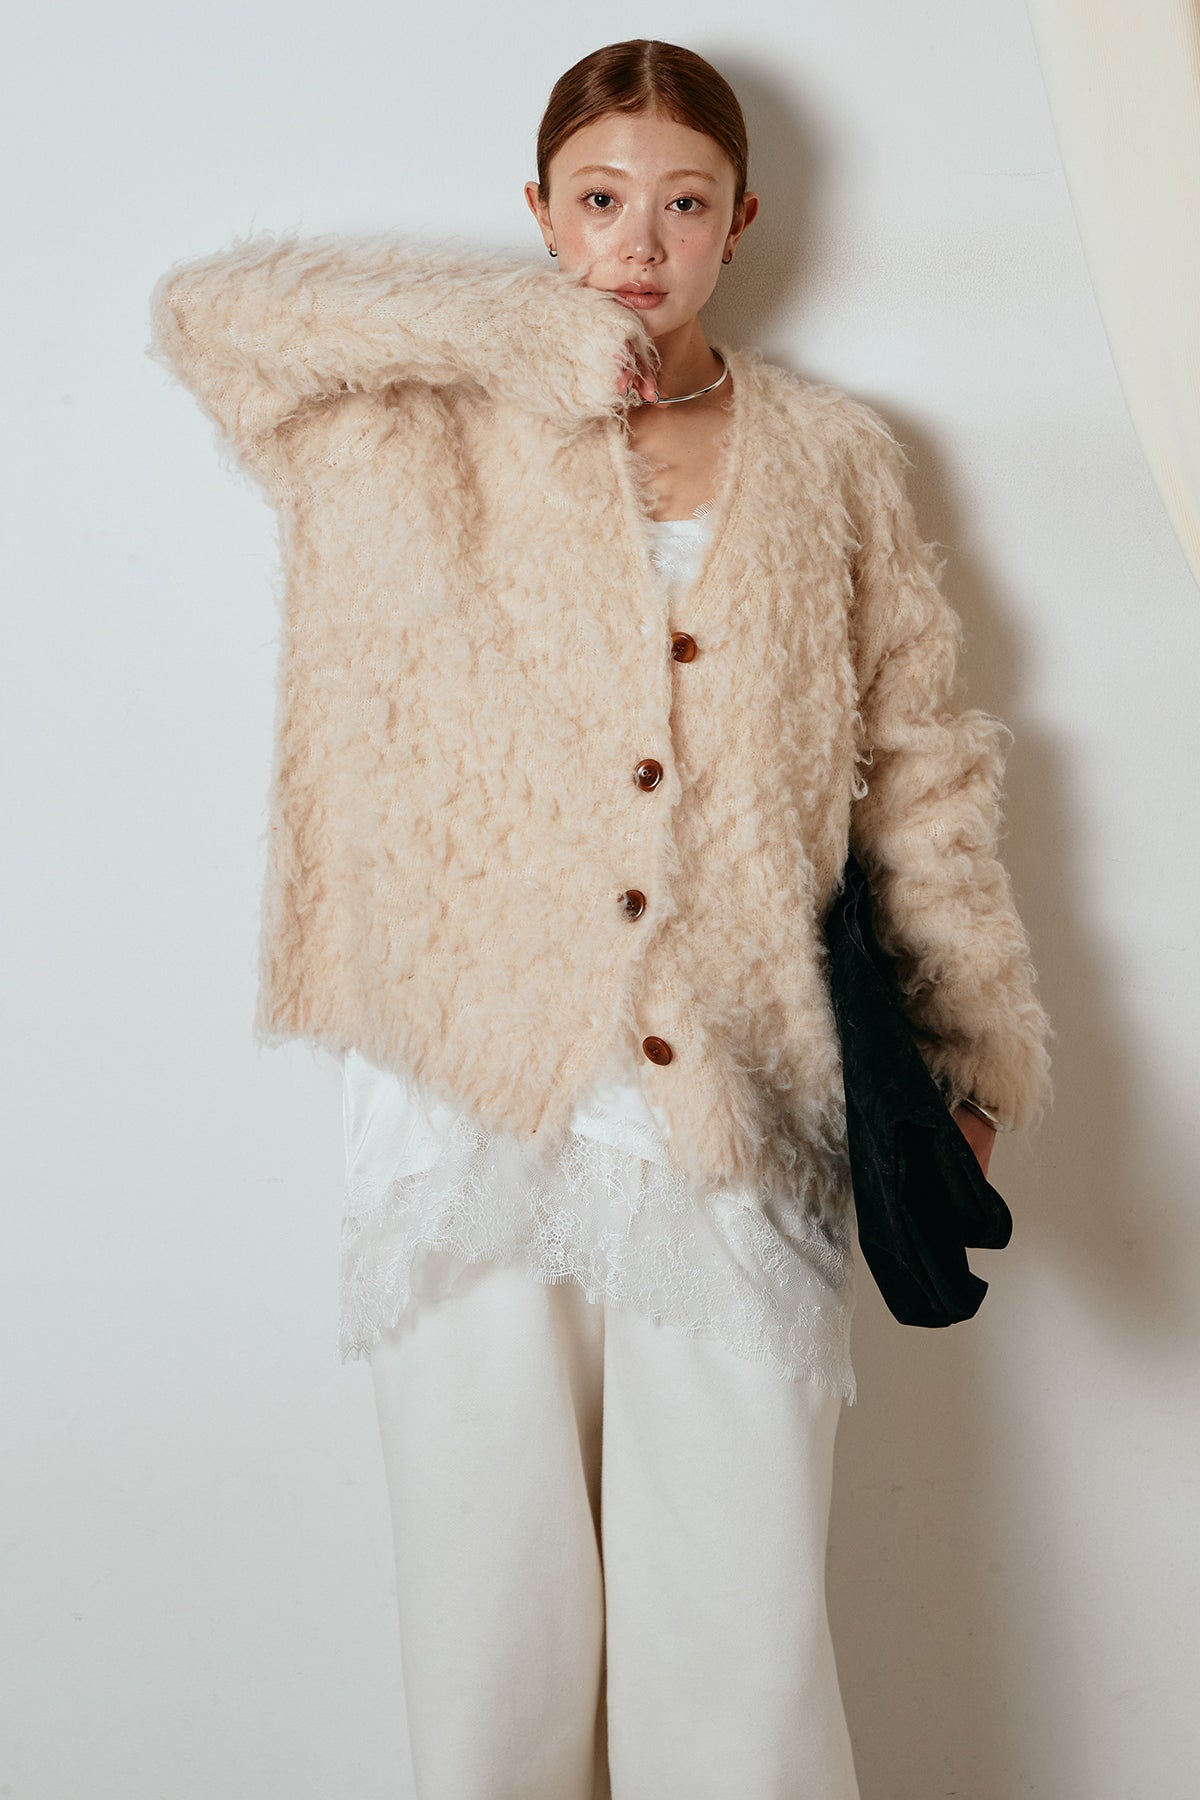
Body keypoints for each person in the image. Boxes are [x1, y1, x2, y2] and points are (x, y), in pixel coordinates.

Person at [148, 37, 1051, 1800]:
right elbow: (211, 321)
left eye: (684, 202)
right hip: (470, 1083)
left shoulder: (834, 460)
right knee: (493, 1626)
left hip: (736, 1075)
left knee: (739, 1634)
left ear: (742, 220)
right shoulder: (417, 419)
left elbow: (919, 769)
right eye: (600, 199)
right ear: (543, 212)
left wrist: (968, 1048)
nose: (640, 241)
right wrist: (528, 338)